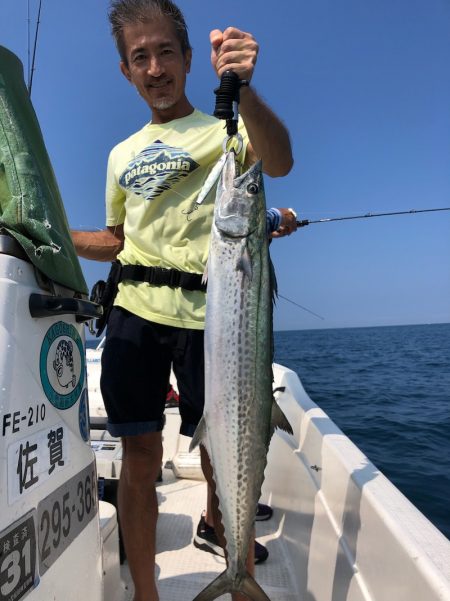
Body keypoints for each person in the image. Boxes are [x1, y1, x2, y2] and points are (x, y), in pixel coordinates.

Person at [71, 1, 295, 600]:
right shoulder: (120, 154)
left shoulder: (229, 131)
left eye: (166, 51)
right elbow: (117, 240)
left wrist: (244, 90)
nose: (155, 67)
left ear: (189, 58)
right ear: (126, 71)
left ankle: (231, 548)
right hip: (135, 316)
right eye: (139, 56)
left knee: (225, 457)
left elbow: (280, 160)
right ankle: (147, 592)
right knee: (140, 456)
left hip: (216, 319)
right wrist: (58, 236)